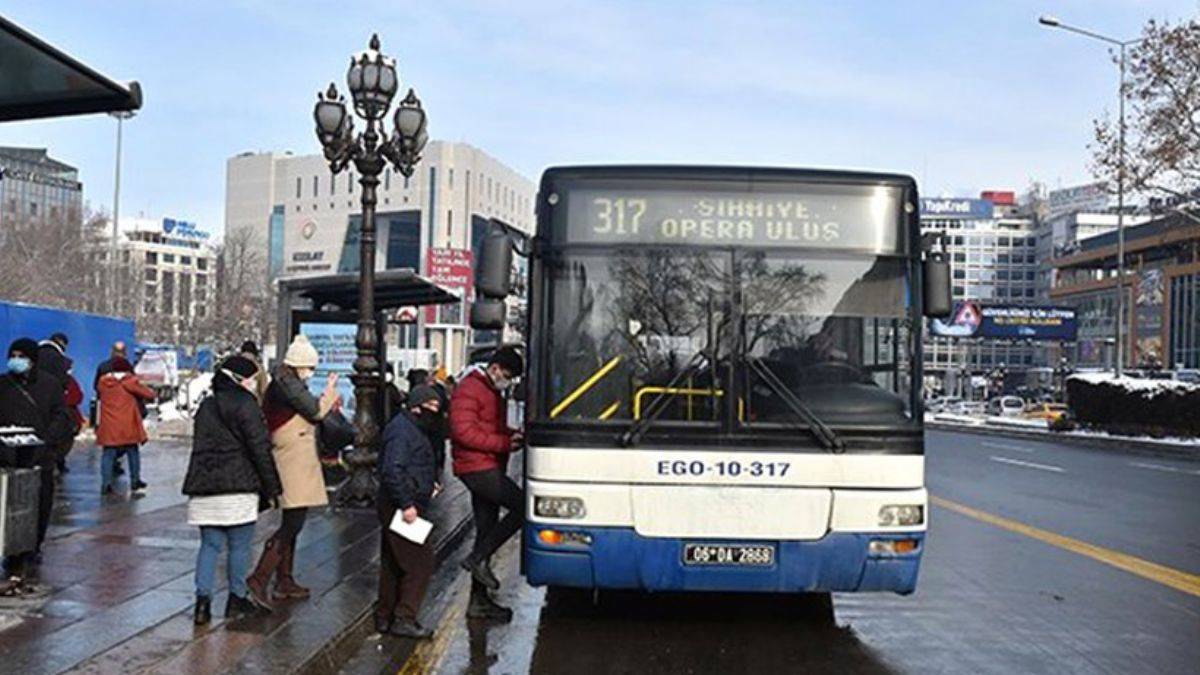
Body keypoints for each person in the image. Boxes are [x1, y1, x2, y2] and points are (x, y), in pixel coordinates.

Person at [182, 356, 283, 624]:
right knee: (239, 546)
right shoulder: (246, 404)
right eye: (251, 378)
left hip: (204, 485)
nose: (253, 383)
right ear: (240, 379)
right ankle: (237, 599)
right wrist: (272, 487)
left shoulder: (207, 405)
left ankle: (202, 603)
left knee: (209, 545)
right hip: (239, 484)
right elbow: (259, 448)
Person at [247, 334, 339, 607]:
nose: (311, 372)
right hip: (293, 460)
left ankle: (284, 580)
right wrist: (330, 391)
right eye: (310, 367)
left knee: (293, 520)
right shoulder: (289, 384)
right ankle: (259, 579)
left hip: (294, 457)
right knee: (292, 523)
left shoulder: (285, 383)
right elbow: (315, 411)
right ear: (299, 365)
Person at [449, 346, 525, 621]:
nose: (508, 381)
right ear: (494, 368)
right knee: (522, 507)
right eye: (507, 375)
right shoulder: (471, 388)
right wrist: (503, 443)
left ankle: (479, 602)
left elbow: (488, 426)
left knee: (487, 529)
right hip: (477, 467)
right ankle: (477, 559)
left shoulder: (489, 390)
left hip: (486, 464)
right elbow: (463, 432)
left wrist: (511, 435)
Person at [0, 338, 71, 581]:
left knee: (39, 505)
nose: (16, 360)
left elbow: (61, 416)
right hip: (8, 458)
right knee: (9, 507)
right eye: (13, 355)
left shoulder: (49, 385)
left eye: (21, 356)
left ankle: (32, 546)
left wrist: (47, 438)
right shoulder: (3, 384)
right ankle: (12, 551)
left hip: (39, 457)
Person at [375, 385, 443, 639]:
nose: (435, 412)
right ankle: (405, 617)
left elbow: (413, 465)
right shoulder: (403, 431)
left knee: (393, 562)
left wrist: (428, 484)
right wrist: (406, 504)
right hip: (400, 505)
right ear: (416, 407)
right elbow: (392, 470)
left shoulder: (410, 427)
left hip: (401, 502)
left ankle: (385, 615)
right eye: (431, 406)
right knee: (421, 562)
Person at [97, 357, 155, 495]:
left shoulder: (103, 383)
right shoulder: (130, 382)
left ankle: (106, 484)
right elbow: (149, 394)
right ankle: (135, 480)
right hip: (128, 424)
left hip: (109, 425)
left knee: (108, 454)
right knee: (132, 452)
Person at [93, 341, 129, 476]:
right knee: (124, 438)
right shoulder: (127, 367)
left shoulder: (103, 366)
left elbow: (96, 386)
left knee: (109, 440)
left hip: (106, 406)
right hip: (122, 407)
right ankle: (115, 461)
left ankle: (108, 470)